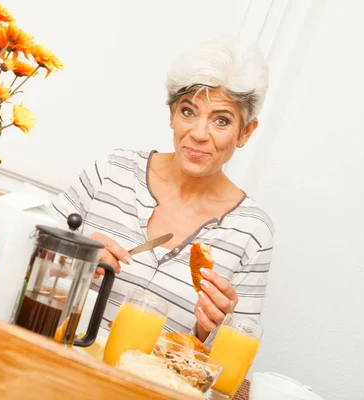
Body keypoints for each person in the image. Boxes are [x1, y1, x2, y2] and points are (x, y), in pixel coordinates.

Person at [52, 37, 274, 347]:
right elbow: (27, 264)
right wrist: (73, 258)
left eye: (221, 120)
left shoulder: (252, 231)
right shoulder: (112, 171)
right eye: (188, 112)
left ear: (245, 132)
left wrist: (209, 331)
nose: (198, 133)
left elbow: (225, 368)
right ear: (171, 113)